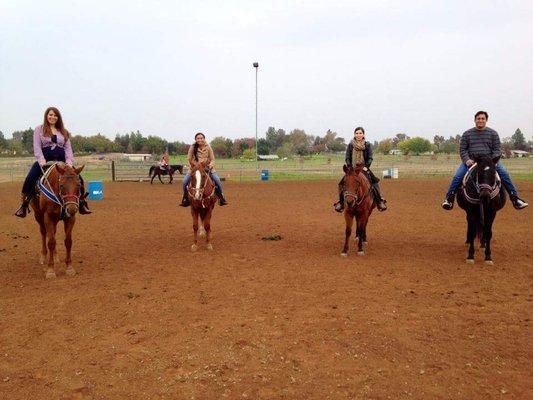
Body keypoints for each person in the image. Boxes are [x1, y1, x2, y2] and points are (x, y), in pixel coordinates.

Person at [441, 111, 528, 210]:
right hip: (472, 162)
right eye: (478, 118)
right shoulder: (467, 134)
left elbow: (496, 150)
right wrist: (467, 160)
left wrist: (492, 161)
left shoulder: (493, 133)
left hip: (489, 162)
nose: (480, 120)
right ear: (475, 120)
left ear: (486, 120)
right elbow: (463, 149)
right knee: (457, 177)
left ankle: (515, 199)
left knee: (504, 174)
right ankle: (449, 199)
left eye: (483, 119)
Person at [14, 107, 91, 218]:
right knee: (30, 178)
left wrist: (69, 162)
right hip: (44, 161)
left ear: (58, 117)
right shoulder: (39, 129)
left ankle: (82, 203)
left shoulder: (64, 132)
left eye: (55, 115)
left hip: (62, 162)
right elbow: (36, 146)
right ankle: (24, 204)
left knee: (79, 179)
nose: (52, 117)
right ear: (46, 116)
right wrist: (41, 160)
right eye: (50, 115)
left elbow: (68, 148)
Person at [334, 127, 387, 212]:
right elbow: (347, 157)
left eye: (360, 133)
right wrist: (349, 166)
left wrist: (367, 166)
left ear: (363, 134)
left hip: (364, 167)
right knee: (341, 183)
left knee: (375, 181)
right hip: (352, 168)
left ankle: (379, 201)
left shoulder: (367, 145)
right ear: (354, 134)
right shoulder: (351, 145)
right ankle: (340, 203)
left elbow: (370, 158)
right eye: (357, 133)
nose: (358, 135)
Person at [179, 132, 228, 207]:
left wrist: (210, 166)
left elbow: (213, 159)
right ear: (195, 139)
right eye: (198, 138)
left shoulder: (208, 147)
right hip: (195, 169)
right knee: (185, 181)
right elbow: (189, 158)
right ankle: (185, 198)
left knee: (217, 179)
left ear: (204, 139)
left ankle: (221, 198)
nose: (200, 139)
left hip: (207, 168)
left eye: (201, 138)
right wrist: (194, 166)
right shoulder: (192, 147)